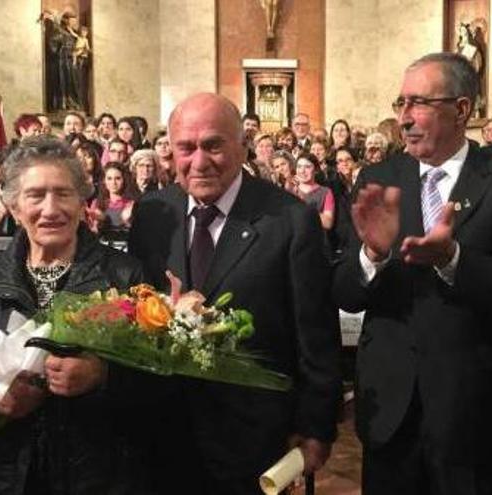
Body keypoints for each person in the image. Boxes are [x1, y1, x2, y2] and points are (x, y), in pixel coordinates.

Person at [333, 52, 492, 495]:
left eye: (419, 103)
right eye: (400, 103)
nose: (405, 118)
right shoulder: (378, 177)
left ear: (461, 109)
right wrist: (372, 252)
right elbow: (346, 293)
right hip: (390, 407)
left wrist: (453, 259)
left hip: (473, 412)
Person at [128, 92, 341, 495]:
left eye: (213, 145)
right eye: (185, 148)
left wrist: (316, 426)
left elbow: (315, 333)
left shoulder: (290, 220)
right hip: (164, 433)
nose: (199, 161)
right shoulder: (154, 213)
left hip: (254, 438)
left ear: (242, 145)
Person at [0, 136, 152, 494]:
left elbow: (157, 383)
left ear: (83, 202)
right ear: (15, 207)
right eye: (36, 195)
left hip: (98, 475)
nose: (51, 209)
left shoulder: (124, 275)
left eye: (63, 193)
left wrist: (101, 376)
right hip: (1, 477)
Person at [89, 162, 135, 238]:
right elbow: (92, 232)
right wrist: (97, 223)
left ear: (124, 180)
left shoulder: (131, 204)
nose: (113, 183)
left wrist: (128, 221)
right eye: (109, 178)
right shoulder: (96, 203)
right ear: (104, 181)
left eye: (118, 178)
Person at [294, 153, 335, 231]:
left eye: (307, 167)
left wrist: (304, 207)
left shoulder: (325, 192)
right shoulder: (290, 190)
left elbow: (328, 223)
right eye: (299, 167)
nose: (302, 171)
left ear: (316, 170)